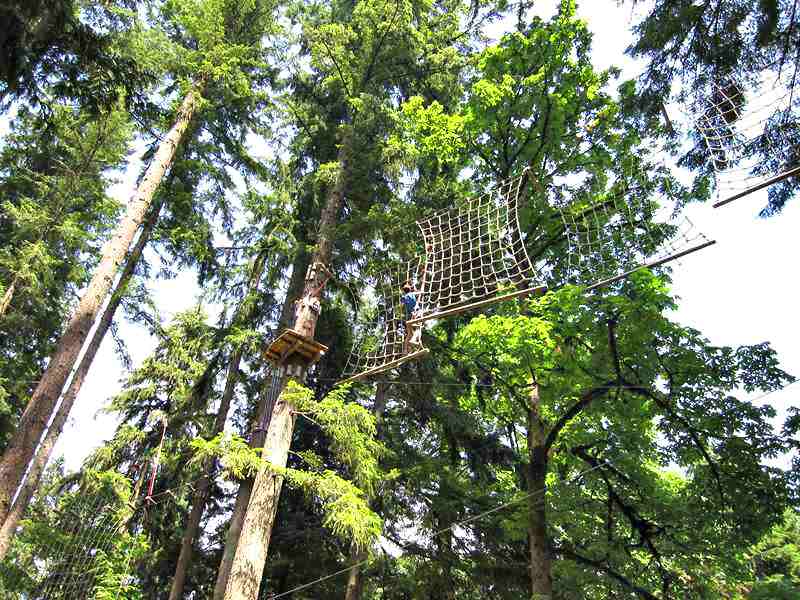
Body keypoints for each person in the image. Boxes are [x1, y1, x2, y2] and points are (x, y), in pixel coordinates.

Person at [401, 281, 422, 353]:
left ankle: (405, 350)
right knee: (418, 328)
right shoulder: (412, 294)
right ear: (410, 289)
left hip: (408, 317)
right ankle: (413, 340)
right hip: (416, 313)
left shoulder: (403, 297)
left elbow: (402, 305)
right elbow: (420, 292)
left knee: (409, 334)